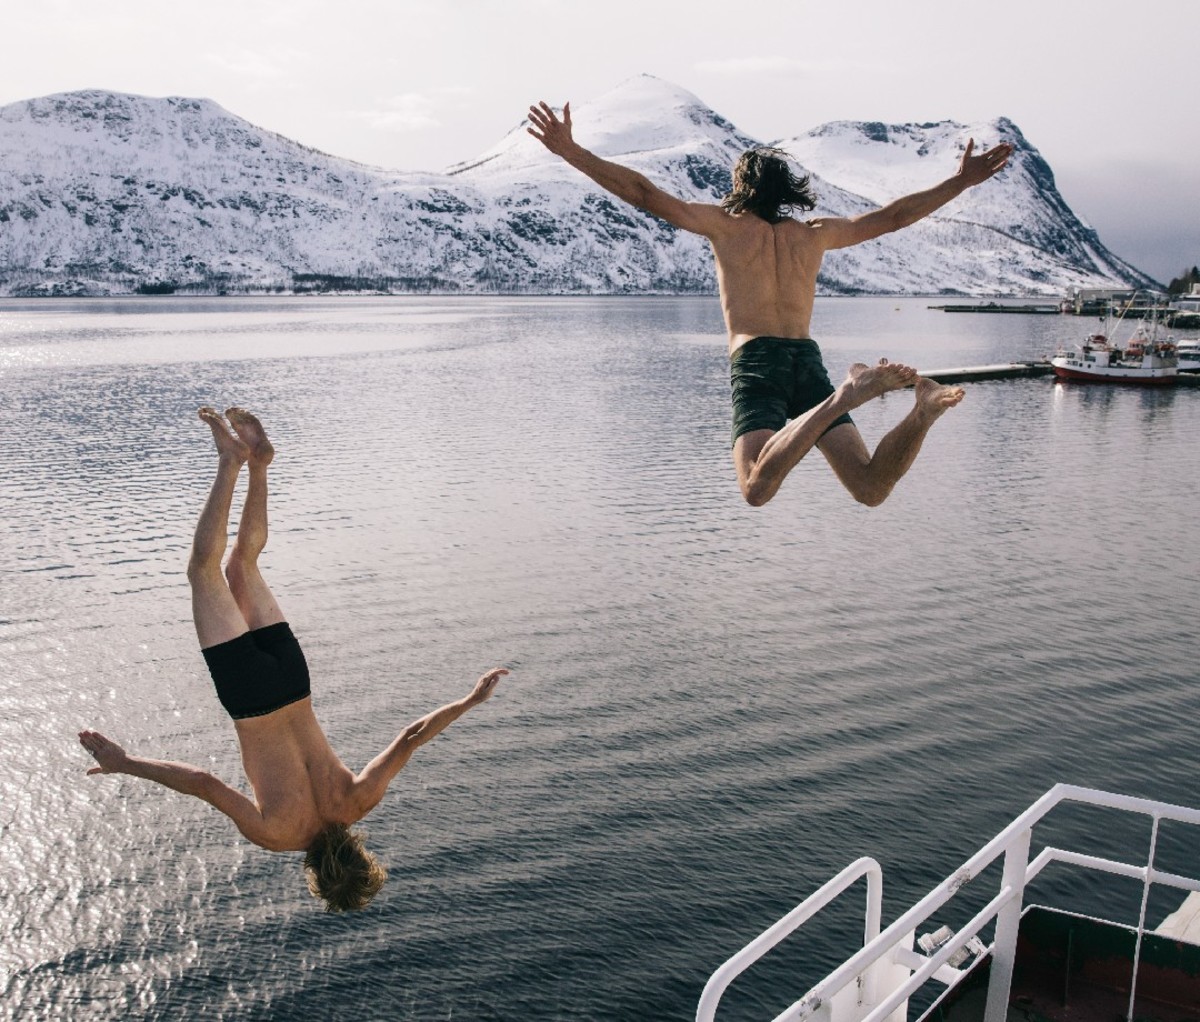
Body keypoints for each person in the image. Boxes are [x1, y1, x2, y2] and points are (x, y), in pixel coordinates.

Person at [79, 407, 507, 912]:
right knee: (203, 570)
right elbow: (204, 783)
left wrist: (470, 700)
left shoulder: (359, 801)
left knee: (242, 562)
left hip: (294, 679)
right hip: (249, 696)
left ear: (362, 858)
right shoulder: (278, 836)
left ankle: (258, 463)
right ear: (317, 879)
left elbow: (411, 736)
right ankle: (231, 460)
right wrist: (127, 763)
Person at [526, 101, 1014, 507]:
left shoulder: (724, 225)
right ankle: (921, 411)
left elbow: (643, 192)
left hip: (758, 360)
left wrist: (571, 151)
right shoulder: (817, 235)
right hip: (806, 357)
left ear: (741, 187)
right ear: (788, 192)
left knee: (756, 487)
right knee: (869, 487)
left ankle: (845, 396)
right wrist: (960, 182)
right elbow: (895, 216)